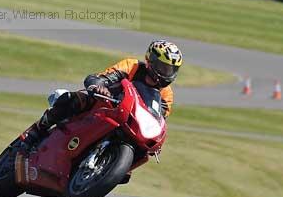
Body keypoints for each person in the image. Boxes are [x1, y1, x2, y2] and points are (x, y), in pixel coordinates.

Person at [21, 40, 183, 148]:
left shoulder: (166, 95)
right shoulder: (131, 66)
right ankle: (36, 130)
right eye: (164, 67)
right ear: (152, 61)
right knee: (73, 100)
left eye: (171, 70)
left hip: (130, 124)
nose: (167, 73)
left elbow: (158, 121)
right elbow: (100, 78)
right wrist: (99, 87)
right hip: (104, 104)